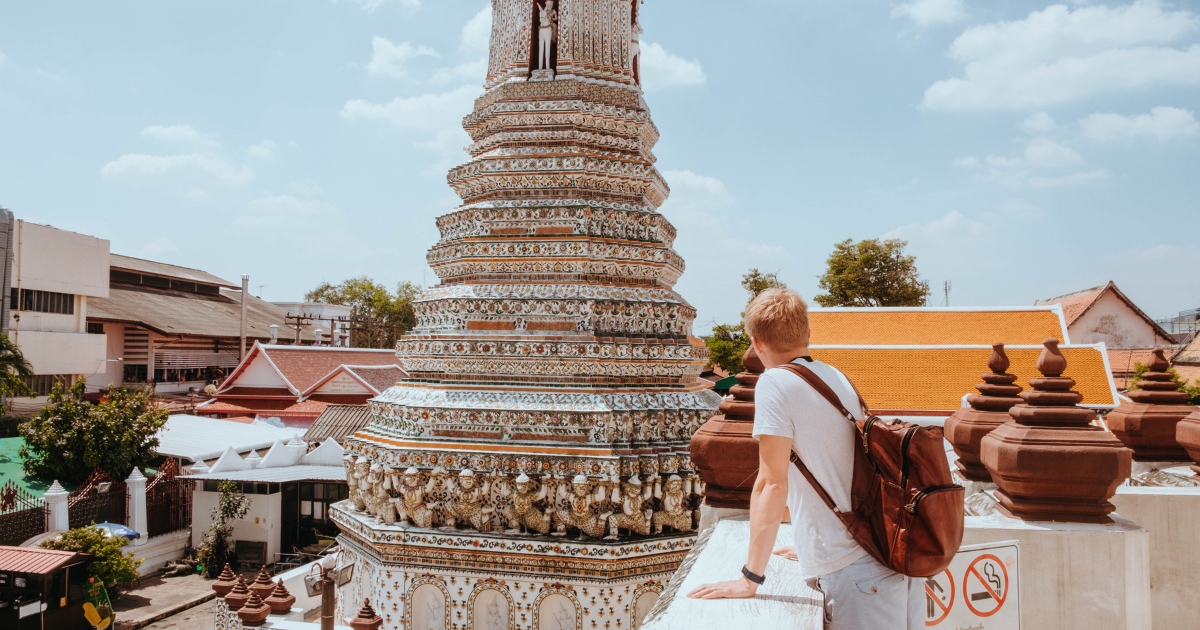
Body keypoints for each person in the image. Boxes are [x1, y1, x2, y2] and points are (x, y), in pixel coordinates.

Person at [686, 288, 922, 629]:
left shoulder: (775, 383)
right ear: (807, 334)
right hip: (889, 557)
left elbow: (771, 482)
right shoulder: (835, 377)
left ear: (757, 343)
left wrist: (750, 577)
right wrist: (813, 538)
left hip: (857, 573)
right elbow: (842, 465)